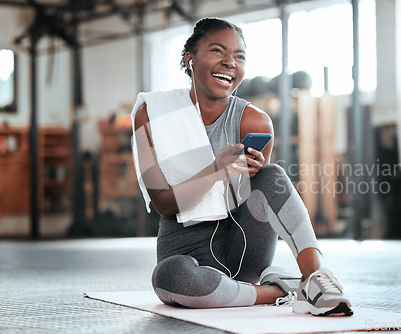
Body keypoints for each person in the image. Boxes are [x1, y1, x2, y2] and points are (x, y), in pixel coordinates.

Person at [132, 17, 352, 316]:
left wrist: (247, 175)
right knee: (169, 277)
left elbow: (258, 203)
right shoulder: (151, 114)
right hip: (185, 256)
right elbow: (163, 204)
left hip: (243, 250)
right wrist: (215, 171)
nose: (229, 62)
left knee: (271, 174)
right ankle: (275, 291)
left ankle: (315, 279)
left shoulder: (254, 121)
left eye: (239, 56)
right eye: (218, 51)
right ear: (190, 59)